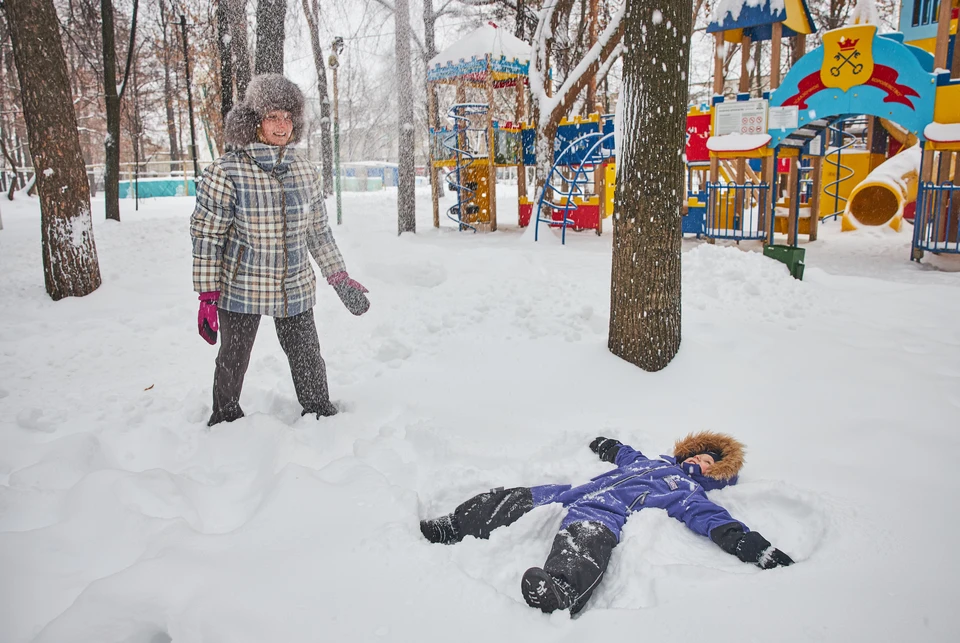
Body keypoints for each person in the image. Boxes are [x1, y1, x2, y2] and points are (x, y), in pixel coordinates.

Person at [419, 431, 793, 615]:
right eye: (700, 457)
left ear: (716, 475)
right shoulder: (656, 463)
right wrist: (610, 447)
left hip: (607, 511)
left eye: (710, 465)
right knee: (526, 496)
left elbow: (715, 521)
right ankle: (454, 525)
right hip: (581, 491)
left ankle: (562, 591)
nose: (701, 464)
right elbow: (629, 455)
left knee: (585, 537)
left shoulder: (687, 491)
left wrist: (751, 545)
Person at [190, 73, 369, 427]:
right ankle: (225, 417)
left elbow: (317, 231)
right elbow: (206, 235)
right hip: (243, 284)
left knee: (306, 354)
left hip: (294, 285)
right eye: (273, 116)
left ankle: (320, 413)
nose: (281, 124)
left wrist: (339, 276)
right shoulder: (226, 172)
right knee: (233, 356)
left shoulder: (304, 170)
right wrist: (207, 295)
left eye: (288, 117)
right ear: (254, 121)